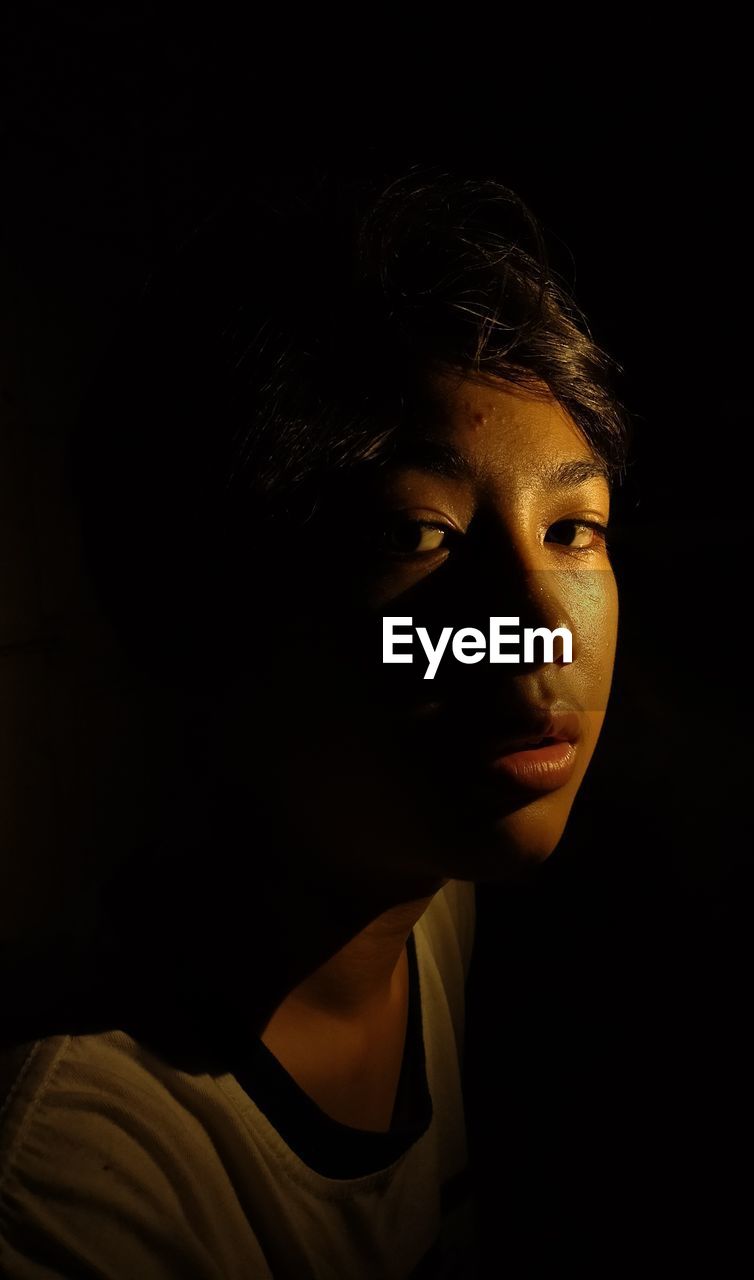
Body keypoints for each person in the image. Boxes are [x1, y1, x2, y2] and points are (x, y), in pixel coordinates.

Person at [0, 165, 631, 1277]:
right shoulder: (69, 1177)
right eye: (419, 535)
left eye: (574, 526)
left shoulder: (433, 902)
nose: (537, 623)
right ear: (205, 612)